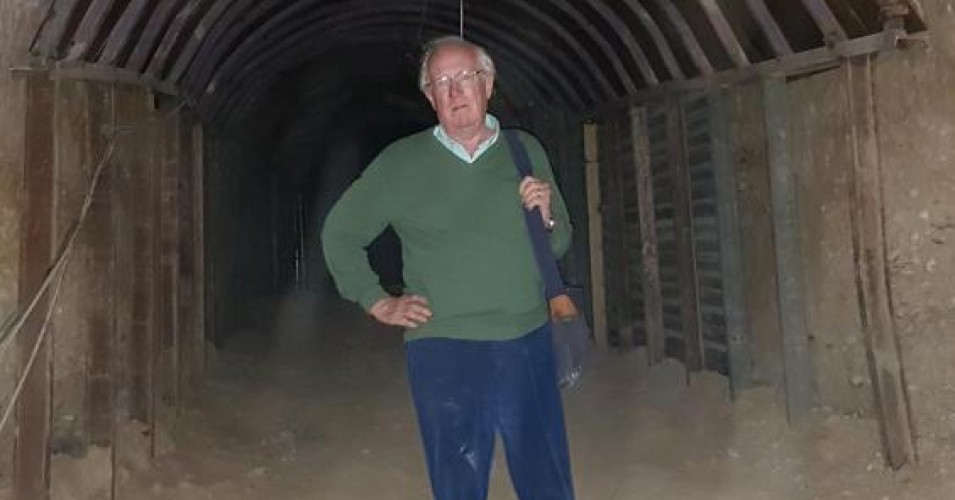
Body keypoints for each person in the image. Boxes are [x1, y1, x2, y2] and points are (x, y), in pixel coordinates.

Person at [321, 35, 576, 500]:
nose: (456, 91)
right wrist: (375, 300)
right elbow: (339, 234)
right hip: (444, 349)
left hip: (526, 339)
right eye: (442, 82)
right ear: (430, 97)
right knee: (458, 482)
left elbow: (558, 244)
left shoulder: (524, 151)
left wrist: (548, 217)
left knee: (546, 476)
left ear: (489, 84)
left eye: (466, 78)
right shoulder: (401, 163)